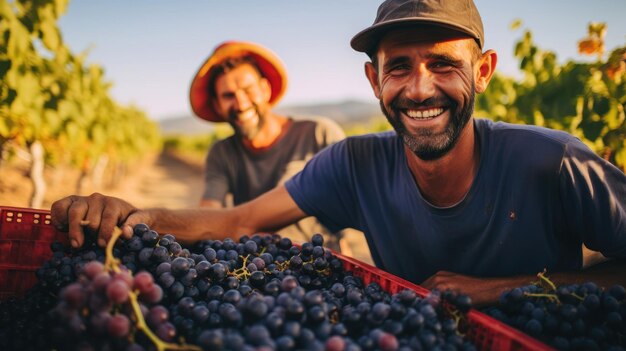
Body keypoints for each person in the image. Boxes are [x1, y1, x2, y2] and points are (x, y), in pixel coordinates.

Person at [51, 0, 626, 306]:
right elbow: (237, 219)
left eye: (444, 64)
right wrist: (138, 217)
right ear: (375, 82)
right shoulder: (354, 164)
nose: (420, 88)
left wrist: (507, 289)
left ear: (483, 71)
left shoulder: (556, 163)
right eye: (399, 67)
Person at [188, 40, 350, 254]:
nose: (241, 103)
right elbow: (209, 211)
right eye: (228, 96)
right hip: (261, 265)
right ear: (218, 105)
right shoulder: (222, 154)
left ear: (264, 89)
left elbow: (350, 210)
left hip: (319, 263)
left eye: (248, 90)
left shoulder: (319, 134)